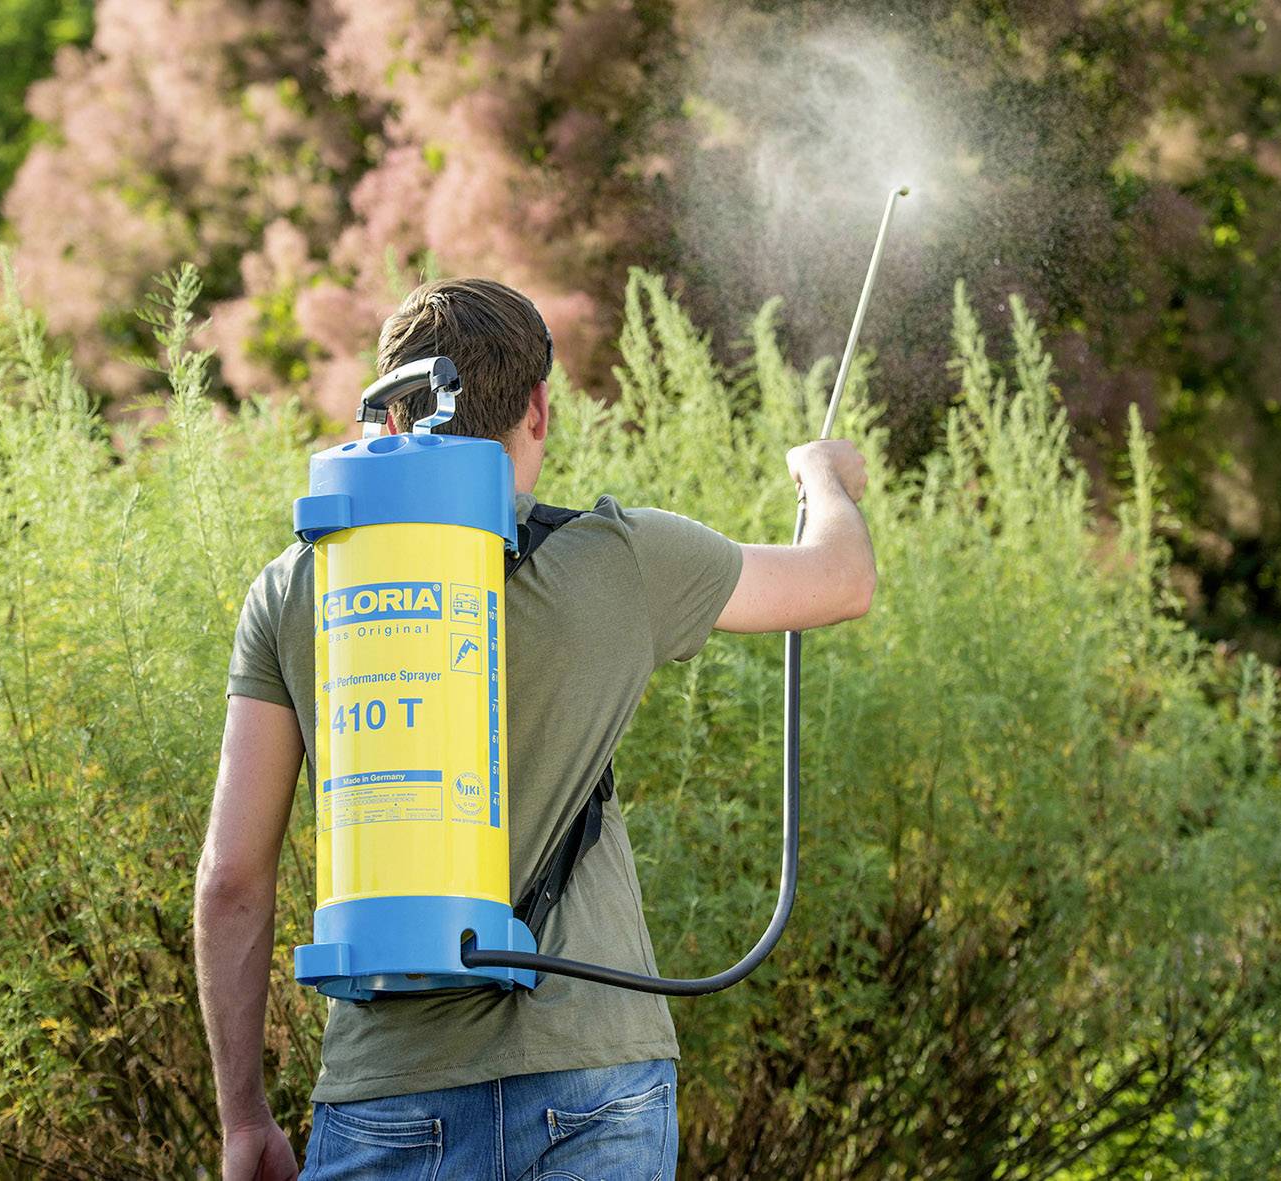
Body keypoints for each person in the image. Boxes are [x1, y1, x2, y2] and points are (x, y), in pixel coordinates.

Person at [194, 277, 876, 1181]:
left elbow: (232, 878)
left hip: (390, 1089)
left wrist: (244, 1118)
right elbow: (839, 579)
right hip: (596, 1082)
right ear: (539, 409)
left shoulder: (298, 588)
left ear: (390, 414)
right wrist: (822, 478)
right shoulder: (621, 561)